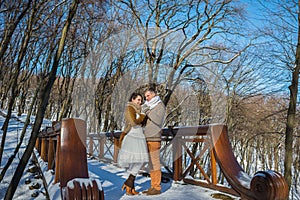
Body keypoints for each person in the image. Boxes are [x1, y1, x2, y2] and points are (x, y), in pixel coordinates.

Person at [118, 92, 149, 195]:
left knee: (138, 161)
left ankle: (130, 185)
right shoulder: (129, 108)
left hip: (140, 135)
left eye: (141, 100)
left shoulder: (140, 110)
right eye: (138, 100)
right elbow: (134, 122)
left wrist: (144, 115)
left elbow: (142, 123)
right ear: (132, 99)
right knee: (136, 161)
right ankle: (129, 184)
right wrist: (143, 115)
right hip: (132, 136)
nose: (140, 102)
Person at [141, 88, 166, 195]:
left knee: (155, 162)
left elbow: (157, 120)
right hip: (146, 137)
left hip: (155, 137)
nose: (146, 98)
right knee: (151, 163)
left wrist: (146, 111)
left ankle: (157, 187)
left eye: (148, 95)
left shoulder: (160, 105)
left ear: (154, 95)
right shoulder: (148, 106)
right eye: (145, 96)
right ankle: (153, 186)